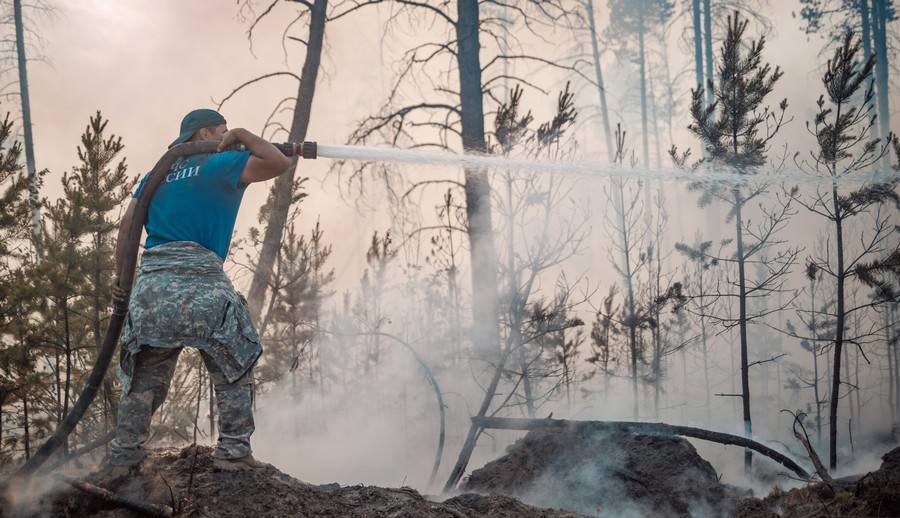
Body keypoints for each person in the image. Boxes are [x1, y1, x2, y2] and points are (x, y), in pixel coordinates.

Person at [107, 109, 293, 473]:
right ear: (205, 132)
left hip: (153, 290)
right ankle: (235, 453)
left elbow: (129, 225)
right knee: (235, 363)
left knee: (144, 377)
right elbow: (277, 161)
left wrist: (122, 281)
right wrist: (243, 133)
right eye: (223, 130)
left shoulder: (155, 175)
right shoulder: (220, 164)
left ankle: (125, 456)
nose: (229, 137)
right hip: (204, 286)